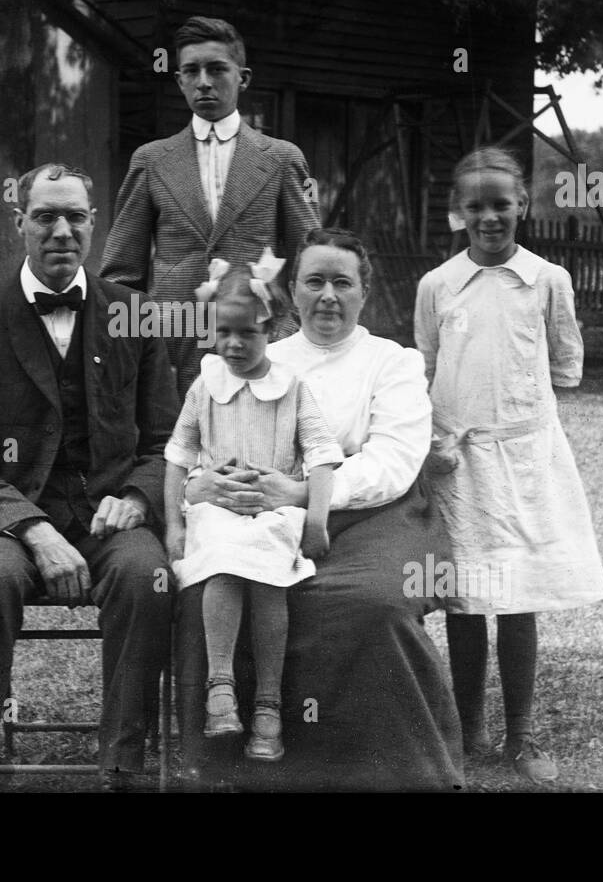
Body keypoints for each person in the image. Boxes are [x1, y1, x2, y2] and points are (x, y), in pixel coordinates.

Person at [175, 226, 463, 791]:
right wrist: (217, 482)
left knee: (371, 603)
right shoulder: (260, 356)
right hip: (264, 516)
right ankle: (239, 762)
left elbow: (394, 461)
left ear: (364, 292)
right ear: (290, 292)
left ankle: (388, 772)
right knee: (217, 587)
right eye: (314, 282)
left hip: (378, 516)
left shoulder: (393, 362)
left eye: (342, 283)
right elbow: (206, 439)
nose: (328, 296)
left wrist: (304, 493)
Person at [0, 163, 179, 792]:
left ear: (93, 226)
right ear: (20, 225)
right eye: (45, 216)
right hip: (11, 520)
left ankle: (121, 763)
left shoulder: (136, 316)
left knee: (144, 575)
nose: (61, 230)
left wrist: (136, 496)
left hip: (108, 515)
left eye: (75, 216)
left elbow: (168, 441)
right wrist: (33, 529)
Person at [414, 146, 603, 784]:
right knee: (469, 598)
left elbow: (562, 365)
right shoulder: (437, 286)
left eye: (502, 204)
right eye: (476, 206)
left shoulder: (548, 279)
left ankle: (520, 736)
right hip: (460, 461)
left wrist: (517, 420)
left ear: (523, 205)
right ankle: (469, 730)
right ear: (457, 212)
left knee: (519, 596)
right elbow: (428, 364)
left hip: (525, 456)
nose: (490, 217)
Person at [163, 252, 342, 762]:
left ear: (275, 327)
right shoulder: (206, 385)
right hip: (219, 507)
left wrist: (317, 521)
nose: (235, 344)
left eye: (249, 333)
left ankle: (268, 704)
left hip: (272, 510)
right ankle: (220, 686)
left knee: (267, 575)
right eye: (224, 332)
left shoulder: (292, 389)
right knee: (221, 552)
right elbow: (177, 456)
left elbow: (324, 459)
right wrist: (175, 523)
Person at [100, 15, 320, 396]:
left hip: (259, 341)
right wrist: (138, 341)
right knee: (172, 448)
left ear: (243, 77)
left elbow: (309, 260)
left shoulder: (282, 158)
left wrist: (286, 332)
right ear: (180, 80)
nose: (204, 81)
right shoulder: (151, 160)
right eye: (191, 71)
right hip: (172, 344)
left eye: (217, 69)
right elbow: (121, 274)